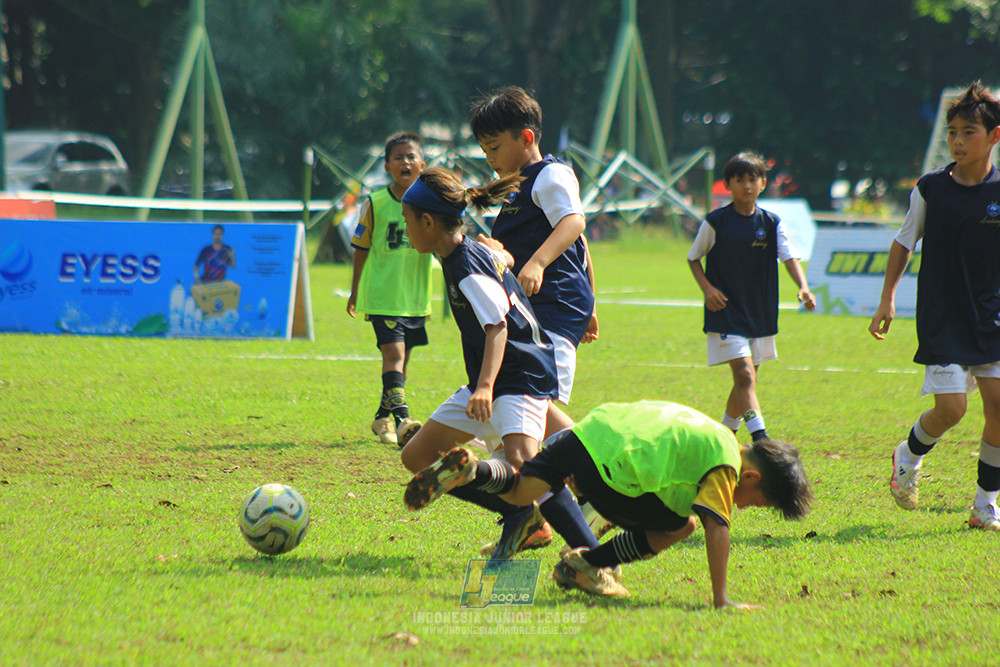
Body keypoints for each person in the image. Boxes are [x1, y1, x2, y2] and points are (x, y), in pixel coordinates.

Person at [405, 400, 812, 608]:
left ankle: (474, 471)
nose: (741, 507)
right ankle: (586, 565)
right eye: (752, 502)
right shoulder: (728, 465)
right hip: (612, 470)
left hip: (586, 434)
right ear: (752, 477)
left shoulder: (713, 432)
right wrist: (721, 598)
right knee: (683, 524)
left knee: (519, 493)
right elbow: (716, 526)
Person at [398, 167, 600, 561]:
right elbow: (500, 260)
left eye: (408, 223)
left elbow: (497, 326)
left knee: (529, 469)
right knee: (417, 457)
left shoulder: (465, 267)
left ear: (427, 221)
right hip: (493, 381)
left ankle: (592, 558)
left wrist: (486, 387)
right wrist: (504, 256)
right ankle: (522, 517)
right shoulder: (471, 250)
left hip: (517, 376)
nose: (406, 232)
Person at [469, 86, 603, 547]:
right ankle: (530, 522)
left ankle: (602, 474)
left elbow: (575, 226)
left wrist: (539, 263)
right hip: (536, 310)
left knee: (529, 408)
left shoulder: (550, 175)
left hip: (551, 306)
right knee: (524, 412)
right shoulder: (515, 188)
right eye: (484, 150)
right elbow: (576, 247)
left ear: (526, 137)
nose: (489, 158)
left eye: (494, 147)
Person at [869, 81, 1000, 531]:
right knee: (952, 409)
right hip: (943, 315)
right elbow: (904, 241)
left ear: (994, 137)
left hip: (992, 316)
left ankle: (985, 504)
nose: (958, 141)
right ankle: (908, 455)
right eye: (952, 133)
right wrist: (887, 297)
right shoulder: (931, 189)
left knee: (999, 406)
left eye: (969, 132)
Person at [688, 152, 816, 441]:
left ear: (762, 183)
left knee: (746, 381)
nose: (746, 185)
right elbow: (694, 258)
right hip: (726, 311)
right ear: (729, 185)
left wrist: (803, 286)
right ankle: (762, 440)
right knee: (745, 376)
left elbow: (789, 257)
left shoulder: (771, 223)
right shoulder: (716, 222)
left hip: (759, 311)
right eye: (739, 180)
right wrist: (708, 289)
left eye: (752, 179)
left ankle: (725, 436)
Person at [347, 132, 432, 447]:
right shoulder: (376, 203)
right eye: (398, 157)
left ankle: (382, 418)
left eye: (411, 157)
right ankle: (404, 421)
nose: (405, 162)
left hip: (415, 298)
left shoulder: (430, 203)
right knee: (394, 355)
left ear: (422, 164)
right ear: (387, 166)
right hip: (383, 296)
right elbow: (361, 248)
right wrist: (355, 292)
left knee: (401, 365)